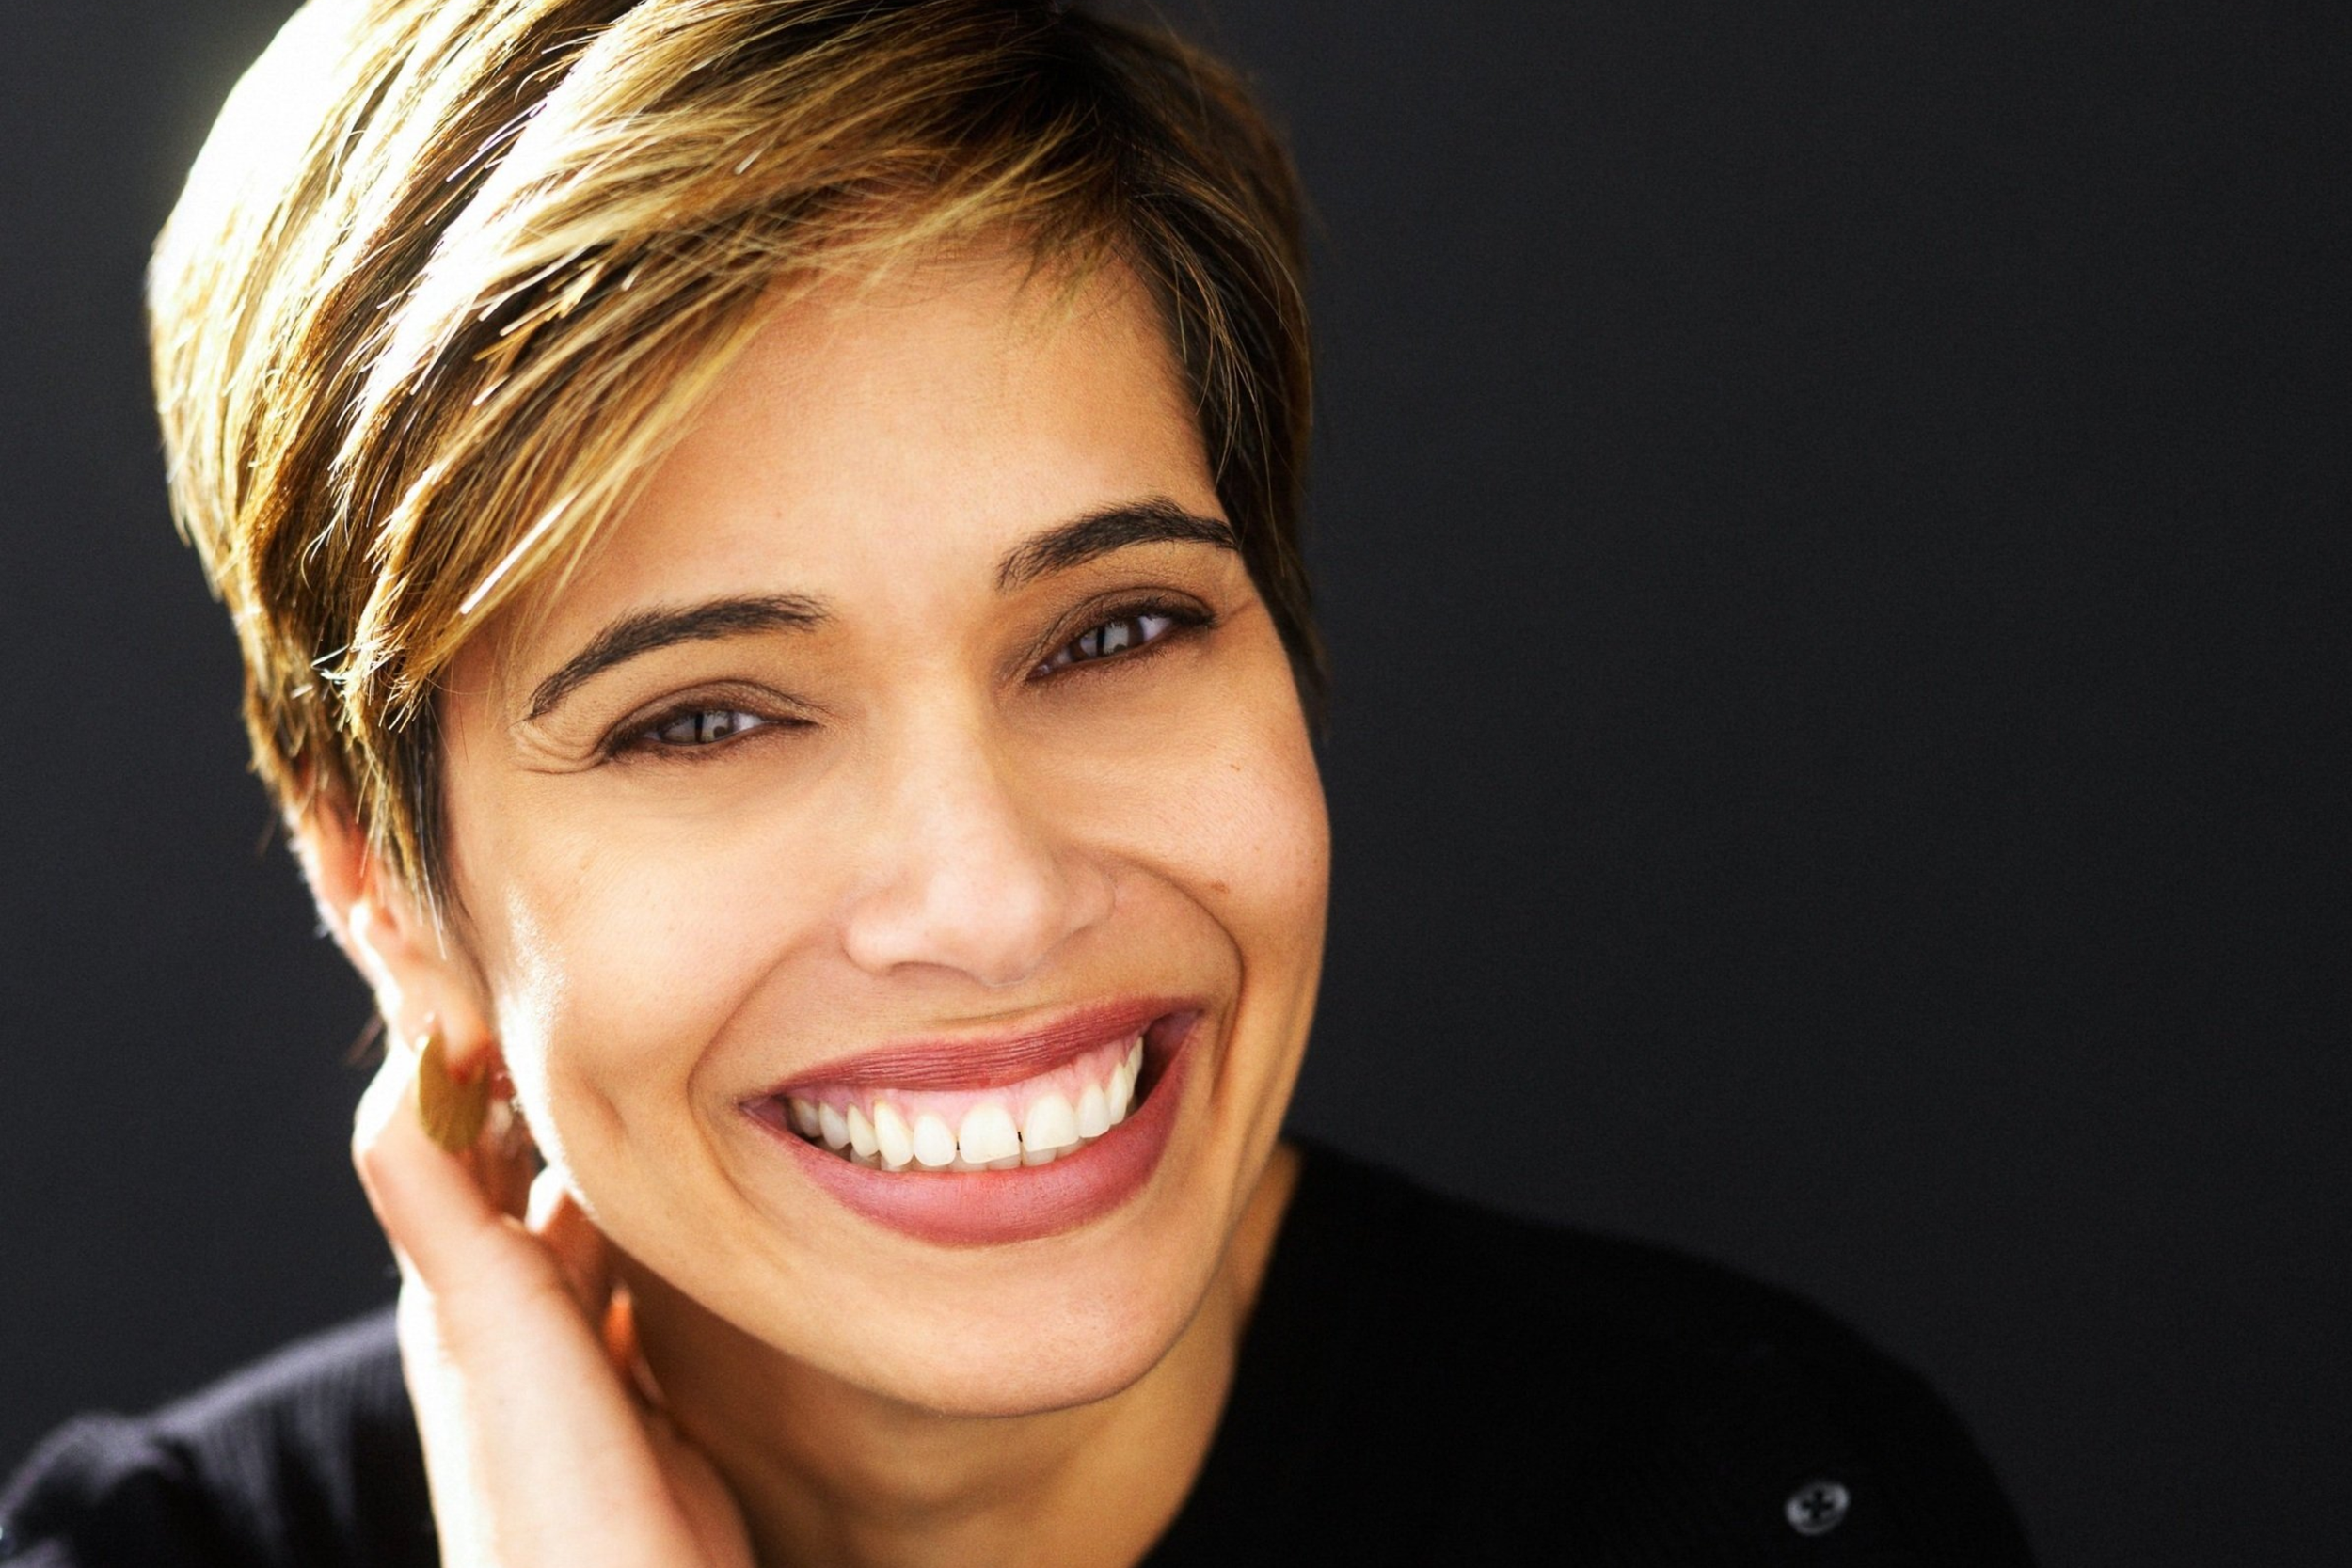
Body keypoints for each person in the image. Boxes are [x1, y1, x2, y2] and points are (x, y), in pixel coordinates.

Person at [0, 2, 2035, 1563]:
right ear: (375, 875)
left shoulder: (1746, 1496)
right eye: (703, 715)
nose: (987, 897)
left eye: (1112, 631)